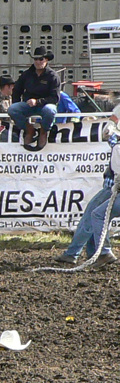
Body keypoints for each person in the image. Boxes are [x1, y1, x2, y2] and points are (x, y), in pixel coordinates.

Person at [55, 105, 120, 267]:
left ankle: (79, 253)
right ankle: (89, 252)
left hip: (113, 183)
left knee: (94, 215)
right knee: (94, 215)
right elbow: (113, 122)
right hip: (113, 181)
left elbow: (112, 125)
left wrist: (112, 134)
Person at [8, 47, 60, 150]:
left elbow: (55, 98)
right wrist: (17, 102)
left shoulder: (53, 76)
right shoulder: (26, 74)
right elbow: (17, 90)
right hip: (28, 105)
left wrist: (37, 102)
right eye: (35, 59)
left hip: (45, 105)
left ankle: (43, 131)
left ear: (46, 60)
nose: (38, 61)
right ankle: (29, 129)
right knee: (12, 109)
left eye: (41, 59)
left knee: (50, 110)